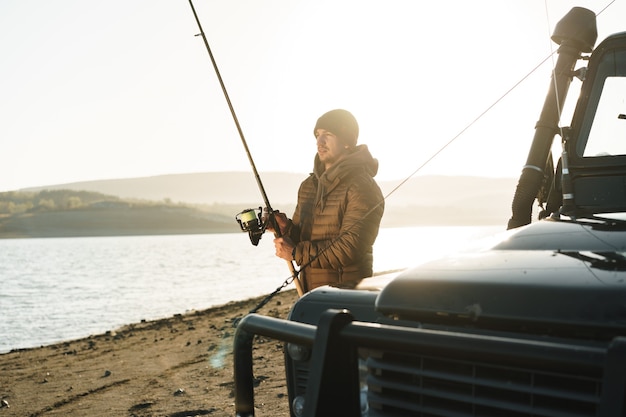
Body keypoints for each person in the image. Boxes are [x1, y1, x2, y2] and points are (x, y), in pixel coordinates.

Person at [269, 109, 384, 292]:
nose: (319, 142)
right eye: (317, 134)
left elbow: (349, 248)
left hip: (348, 296)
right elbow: (302, 238)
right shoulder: (308, 186)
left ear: (348, 141)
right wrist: (285, 229)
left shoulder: (363, 187)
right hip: (311, 293)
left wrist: (295, 253)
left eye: (328, 135)